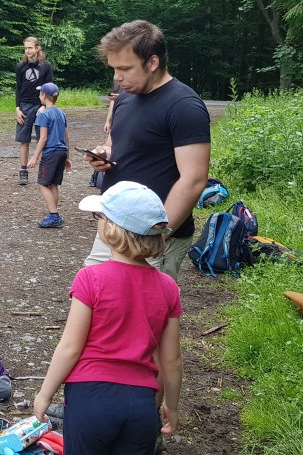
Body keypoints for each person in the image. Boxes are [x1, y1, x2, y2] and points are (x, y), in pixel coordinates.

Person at [33, 181, 182, 454]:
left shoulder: (90, 278)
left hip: (90, 399)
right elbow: (171, 360)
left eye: (99, 217)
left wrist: (45, 394)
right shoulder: (168, 287)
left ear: (111, 228)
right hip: (141, 403)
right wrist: (170, 406)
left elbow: (70, 347)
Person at [82, 20, 210, 279]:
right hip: (113, 227)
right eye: (114, 68)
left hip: (153, 237)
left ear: (152, 62)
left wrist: (157, 237)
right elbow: (115, 144)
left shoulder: (184, 106)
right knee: (91, 294)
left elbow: (194, 180)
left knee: (143, 304)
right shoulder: (125, 97)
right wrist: (104, 155)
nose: (117, 77)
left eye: (124, 68)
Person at [26, 82, 72, 229]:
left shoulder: (44, 115)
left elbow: (43, 138)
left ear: (44, 96)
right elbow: (66, 137)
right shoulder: (61, 113)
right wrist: (67, 157)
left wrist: (34, 157)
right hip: (61, 152)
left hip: (51, 153)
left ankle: (54, 216)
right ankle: (53, 213)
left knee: (42, 183)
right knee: (53, 184)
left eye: (40, 94)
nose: (39, 96)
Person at [15, 37, 55, 186]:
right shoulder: (21, 66)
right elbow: (18, 88)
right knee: (23, 140)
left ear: (37, 48)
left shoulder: (46, 66)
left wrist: (44, 106)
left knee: (43, 140)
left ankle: (44, 171)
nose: (27, 51)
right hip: (24, 106)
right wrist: (17, 108)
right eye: (25, 48)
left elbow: (50, 87)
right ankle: (23, 171)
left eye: (30, 48)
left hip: (40, 107)